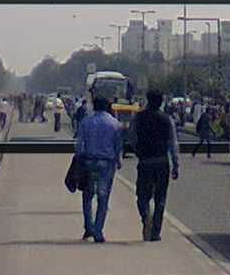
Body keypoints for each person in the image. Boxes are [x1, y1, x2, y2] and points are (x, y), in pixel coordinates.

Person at [131, 90, 179, 241]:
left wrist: (138, 150)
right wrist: (175, 165)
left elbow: (131, 138)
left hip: (145, 161)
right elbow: (173, 143)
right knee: (160, 199)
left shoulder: (138, 117)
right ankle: (155, 232)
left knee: (142, 196)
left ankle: (146, 216)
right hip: (162, 162)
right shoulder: (167, 120)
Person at [74, 96, 122, 243]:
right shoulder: (114, 123)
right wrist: (118, 160)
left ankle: (88, 226)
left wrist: (80, 157)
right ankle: (98, 231)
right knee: (103, 197)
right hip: (106, 164)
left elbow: (79, 143)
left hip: (88, 161)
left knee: (87, 195)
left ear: (94, 106)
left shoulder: (86, 121)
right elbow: (118, 145)